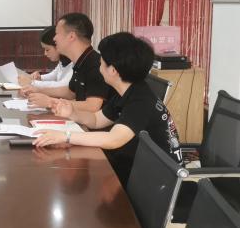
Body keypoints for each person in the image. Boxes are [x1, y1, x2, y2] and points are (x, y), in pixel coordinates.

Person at [33, 32, 182, 187]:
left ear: (113, 70)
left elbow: (113, 139)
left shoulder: (140, 100)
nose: (99, 67)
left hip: (155, 183)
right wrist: (72, 113)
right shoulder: (127, 90)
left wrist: (66, 136)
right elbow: (97, 120)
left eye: (101, 63)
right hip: (136, 167)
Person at [23, 13, 112, 112]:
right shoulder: (80, 61)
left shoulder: (95, 64)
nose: (54, 38)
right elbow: (70, 92)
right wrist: (38, 90)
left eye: (57, 33)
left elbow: (92, 106)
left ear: (71, 36)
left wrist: (50, 102)